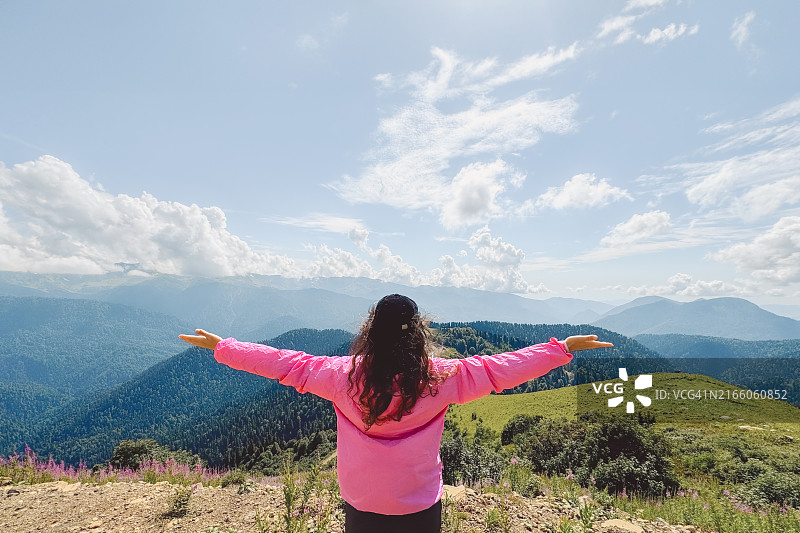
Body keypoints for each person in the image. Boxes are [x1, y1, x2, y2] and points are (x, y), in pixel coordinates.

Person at [179, 294, 613, 533]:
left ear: (370, 331)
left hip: (361, 501)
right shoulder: (443, 379)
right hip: (419, 506)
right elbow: (499, 370)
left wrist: (224, 347)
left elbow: (284, 363)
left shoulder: (338, 376)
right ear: (418, 333)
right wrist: (560, 350)